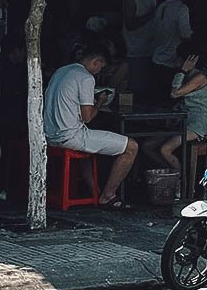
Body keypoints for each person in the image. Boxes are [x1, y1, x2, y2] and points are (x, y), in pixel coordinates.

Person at [43, 38, 139, 209]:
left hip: (50, 135)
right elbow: (87, 117)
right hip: (70, 136)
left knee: (89, 151)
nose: (99, 71)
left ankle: (94, 191)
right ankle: (108, 195)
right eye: (100, 67)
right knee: (131, 147)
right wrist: (100, 101)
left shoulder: (61, 71)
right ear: (97, 61)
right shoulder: (86, 78)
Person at [145, 41, 207, 174]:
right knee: (147, 146)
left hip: (196, 124)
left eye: (180, 58)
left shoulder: (200, 77)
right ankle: (173, 172)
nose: (177, 60)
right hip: (181, 121)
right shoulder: (186, 76)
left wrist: (182, 70)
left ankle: (179, 182)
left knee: (165, 149)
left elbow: (175, 93)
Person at [149, 0, 192, 91]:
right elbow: (185, 35)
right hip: (172, 60)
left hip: (156, 57)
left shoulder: (161, 6)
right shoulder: (182, 8)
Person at [121, 0, 158, 91]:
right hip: (135, 49)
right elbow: (130, 24)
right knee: (135, 86)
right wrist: (151, 15)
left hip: (151, 47)